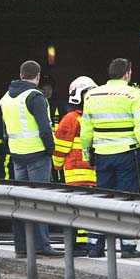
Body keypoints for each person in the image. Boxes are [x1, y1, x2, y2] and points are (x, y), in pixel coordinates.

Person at [81, 58, 140, 259]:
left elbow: (86, 129)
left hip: (101, 155)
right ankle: (128, 247)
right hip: (126, 154)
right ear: (127, 74)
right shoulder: (134, 94)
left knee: (102, 200)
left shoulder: (91, 94)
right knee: (127, 200)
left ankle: (95, 246)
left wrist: (86, 153)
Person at [0, 60, 62, 258]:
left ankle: (22, 247)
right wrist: (51, 149)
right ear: (37, 76)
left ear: (20, 74)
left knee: (21, 202)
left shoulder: (6, 98)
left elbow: (5, 130)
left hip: (17, 155)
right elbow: (45, 128)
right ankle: (42, 245)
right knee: (39, 201)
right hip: (37, 155)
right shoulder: (35, 96)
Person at [53, 76, 98, 257]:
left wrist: (56, 166)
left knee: (80, 211)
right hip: (82, 174)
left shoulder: (73, 118)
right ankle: (78, 245)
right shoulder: (75, 118)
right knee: (81, 211)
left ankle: (81, 245)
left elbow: (59, 148)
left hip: (80, 173)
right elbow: (61, 146)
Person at [40, 75, 66, 183]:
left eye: (49, 89)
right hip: (43, 142)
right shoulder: (38, 103)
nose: (47, 92)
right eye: (44, 89)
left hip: (59, 142)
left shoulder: (59, 104)